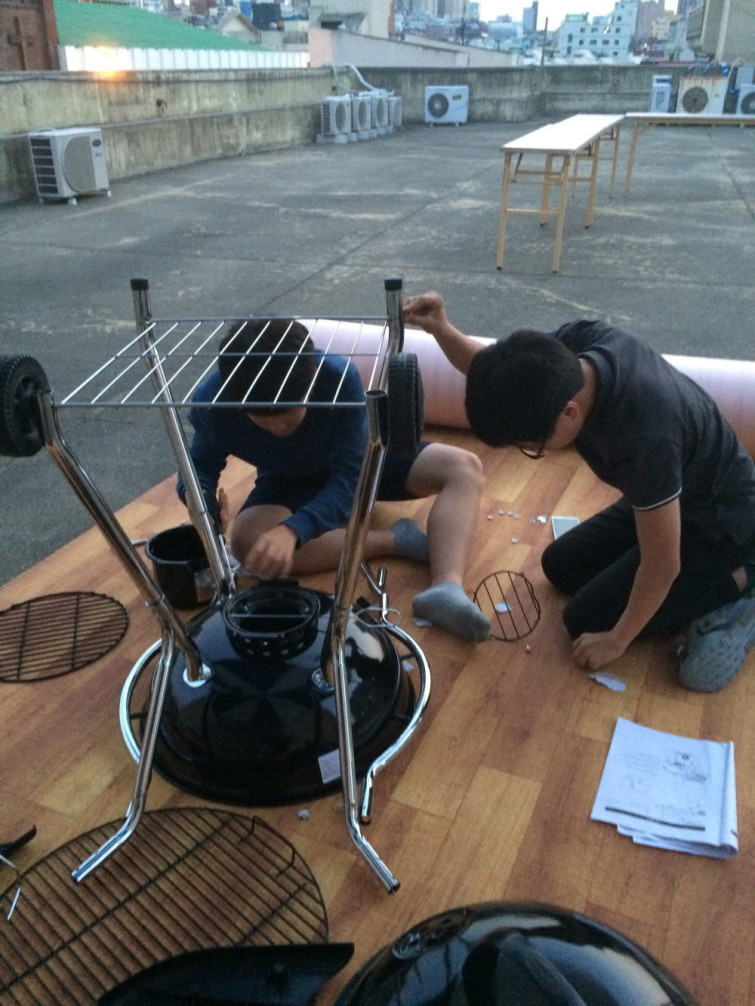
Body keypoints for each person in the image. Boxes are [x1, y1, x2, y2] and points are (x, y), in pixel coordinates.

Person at [403, 290, 755, 691]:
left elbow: (662, 563)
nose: (530, 451)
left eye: (531, 445)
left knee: (586, 620)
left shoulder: (645, 438)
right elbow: (501, 376)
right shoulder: (573, 350)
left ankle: (743, 580)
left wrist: (616, 640)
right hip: (668, 496)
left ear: (569, 412)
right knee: (560, 566)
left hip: (721, 525)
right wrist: (441, 328)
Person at [177, 317, 490, 643]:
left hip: (362, 464)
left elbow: (350, 481)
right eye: (263, 422)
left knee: (463, 466)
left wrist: (293, 530)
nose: (278, 429)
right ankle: (396, 540)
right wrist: (200, 499)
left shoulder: (338, 377)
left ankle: (446, 588)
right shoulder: (214, 399)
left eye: (288, 418)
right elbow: (198, 465)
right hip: (288, 480)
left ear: (311, 378)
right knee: (246, 543)